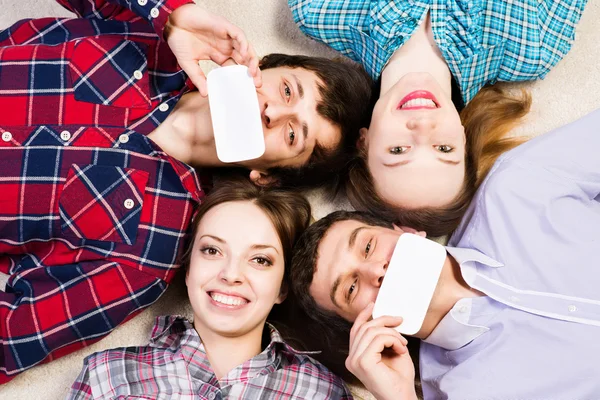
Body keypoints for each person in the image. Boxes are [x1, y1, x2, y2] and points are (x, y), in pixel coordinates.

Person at [0, 0, 372, 383]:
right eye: (287, 90)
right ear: (261, 65)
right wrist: (173, 14)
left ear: (267, 176)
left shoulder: (149, 252)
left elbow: (14, 336)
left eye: (293, 135)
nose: (273, 113)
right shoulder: (157, 35)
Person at [289, 108, 600, 399]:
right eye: (351, 289)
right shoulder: (460, 390)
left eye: (368, 246)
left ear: (407, 230)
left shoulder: (515, 189)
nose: (375, 271)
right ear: (360, 328)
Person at [289, 0, 588, 236]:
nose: (422, 127)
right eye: (444, 149)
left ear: (364, 141)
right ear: (463, 135)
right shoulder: (532, 49)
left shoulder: (318, 10)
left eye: (398, 150)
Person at [66, 178, 353, 399]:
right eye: (212, 250)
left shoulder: (323, 392)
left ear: (282, 288)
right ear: (189, 270)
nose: (230, 274)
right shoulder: (109, 374)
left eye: (260, 259)